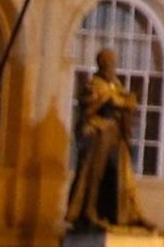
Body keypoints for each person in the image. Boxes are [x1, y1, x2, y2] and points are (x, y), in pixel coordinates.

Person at [64, 47, 150, 233]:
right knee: (94, 175)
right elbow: (94, 104)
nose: (112, 66)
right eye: (109, 63)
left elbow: (126, 102)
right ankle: (88, 212)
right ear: (101, 64)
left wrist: (121, 100)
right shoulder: (93, 84)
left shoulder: (115, 85)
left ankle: (127, 214)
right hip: (98, 135)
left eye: (113, 63)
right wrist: (115, 100)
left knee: (122, 176)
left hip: (115, 136)